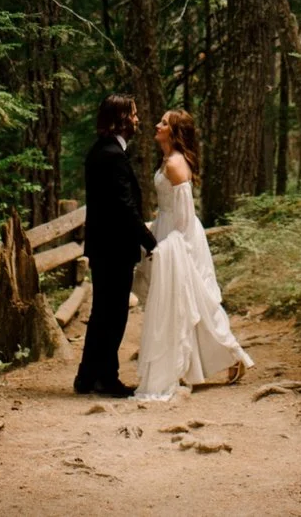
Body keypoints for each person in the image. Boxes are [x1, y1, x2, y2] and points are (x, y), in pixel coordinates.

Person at [133, 108, 253, 402]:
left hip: (181, 239)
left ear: (174, 132)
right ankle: (194, 363)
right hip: (165, 230)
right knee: (178, 303)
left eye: (163, 122)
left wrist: (176, 251)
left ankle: (230, 354)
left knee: (195, 299)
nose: (157, 125)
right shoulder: (166, 161)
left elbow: (185, 217)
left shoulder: (175, 164)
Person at [74, 93, 157, 397]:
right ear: (121, 120)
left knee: (103, 313)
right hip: (113, 249)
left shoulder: (101, 151)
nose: (137, 119)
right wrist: (150, 242)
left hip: (104, 248)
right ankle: (107, 379)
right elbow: (124, 206)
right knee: (113, 314)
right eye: (133, 114)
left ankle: (87, 377)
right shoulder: (111, 155)